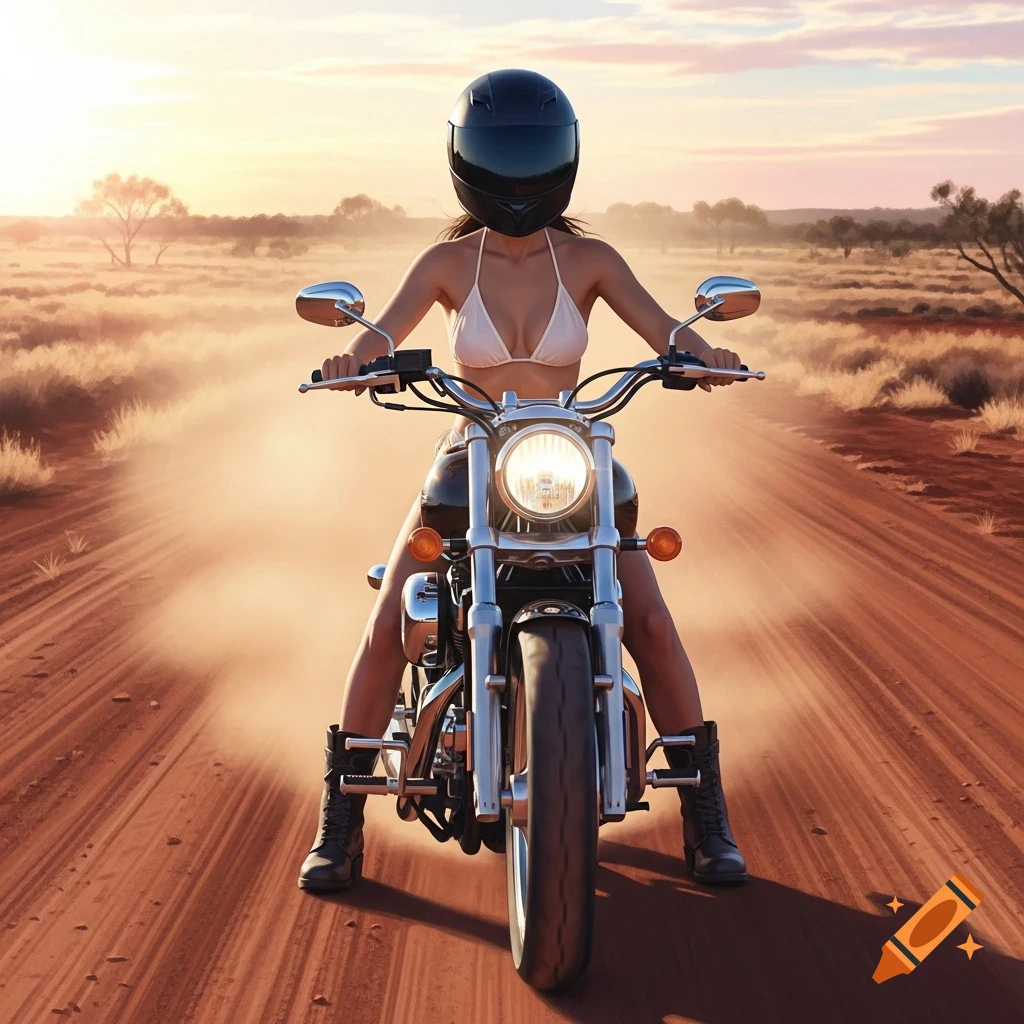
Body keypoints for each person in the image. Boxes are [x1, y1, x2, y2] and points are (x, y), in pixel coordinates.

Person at [298, 69, 748, 894]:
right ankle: (342, 817)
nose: (518, 174)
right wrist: (351, 362)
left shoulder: (589, 258)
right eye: (503, 156)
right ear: (466, 160)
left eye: (534, 154)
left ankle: (705, 813)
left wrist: (703, 354)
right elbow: (382, 335)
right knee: (387, 620)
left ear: (564, 158)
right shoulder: (445, 262)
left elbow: (662, 328)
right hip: (471, 455)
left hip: (570, 453)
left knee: (646, 615)